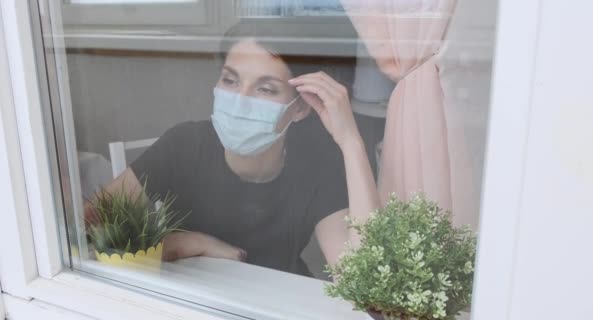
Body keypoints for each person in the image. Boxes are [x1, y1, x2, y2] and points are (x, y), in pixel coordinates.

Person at [86, 22, 379, 277]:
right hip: (189, 299)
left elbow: (360, 279)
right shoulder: (184, 144)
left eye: (265, 88)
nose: (241, 100)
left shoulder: (316, 163)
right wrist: (182, 245)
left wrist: (351, 143)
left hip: (276, 301)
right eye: (230, 80)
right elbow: (88, 226)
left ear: (300, 107)